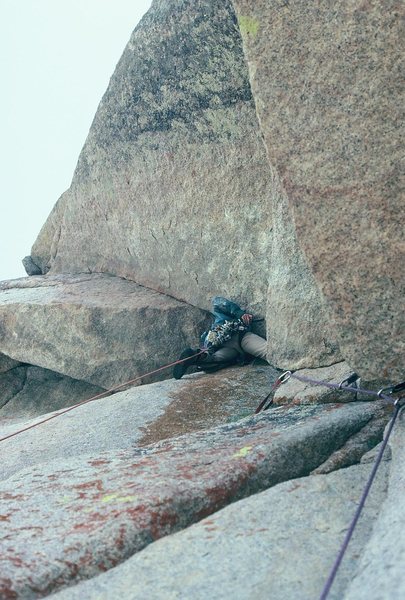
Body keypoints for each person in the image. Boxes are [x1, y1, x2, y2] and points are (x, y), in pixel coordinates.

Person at [173, 296, 267, 379]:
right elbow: (217, 301)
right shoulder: (219, 316)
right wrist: (240, 314)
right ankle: (196, 357)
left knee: (212, 362)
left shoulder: (218, 317)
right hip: (238, 340)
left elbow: (219, 302)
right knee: (268, 352)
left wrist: (239, 314)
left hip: (234, 343)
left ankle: (197, 356)